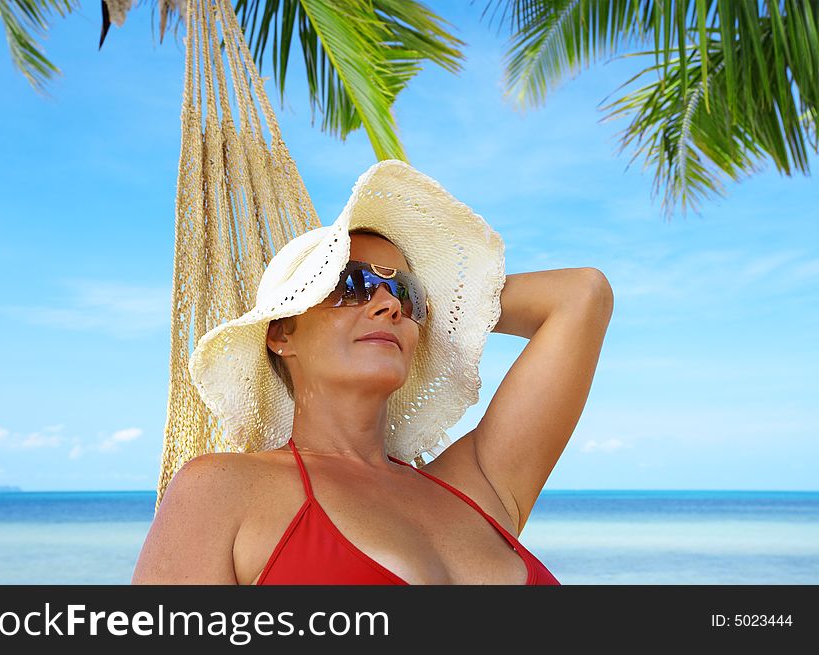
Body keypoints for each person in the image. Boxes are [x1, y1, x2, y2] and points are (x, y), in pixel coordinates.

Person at [132, 159, 613, 585]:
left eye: (403, 291)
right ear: (281, 334)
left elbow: (581, 294)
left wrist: (432, 314)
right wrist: (404, 305)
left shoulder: (480, 486)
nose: (386, 304)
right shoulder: (222, 489)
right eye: (351, 283)